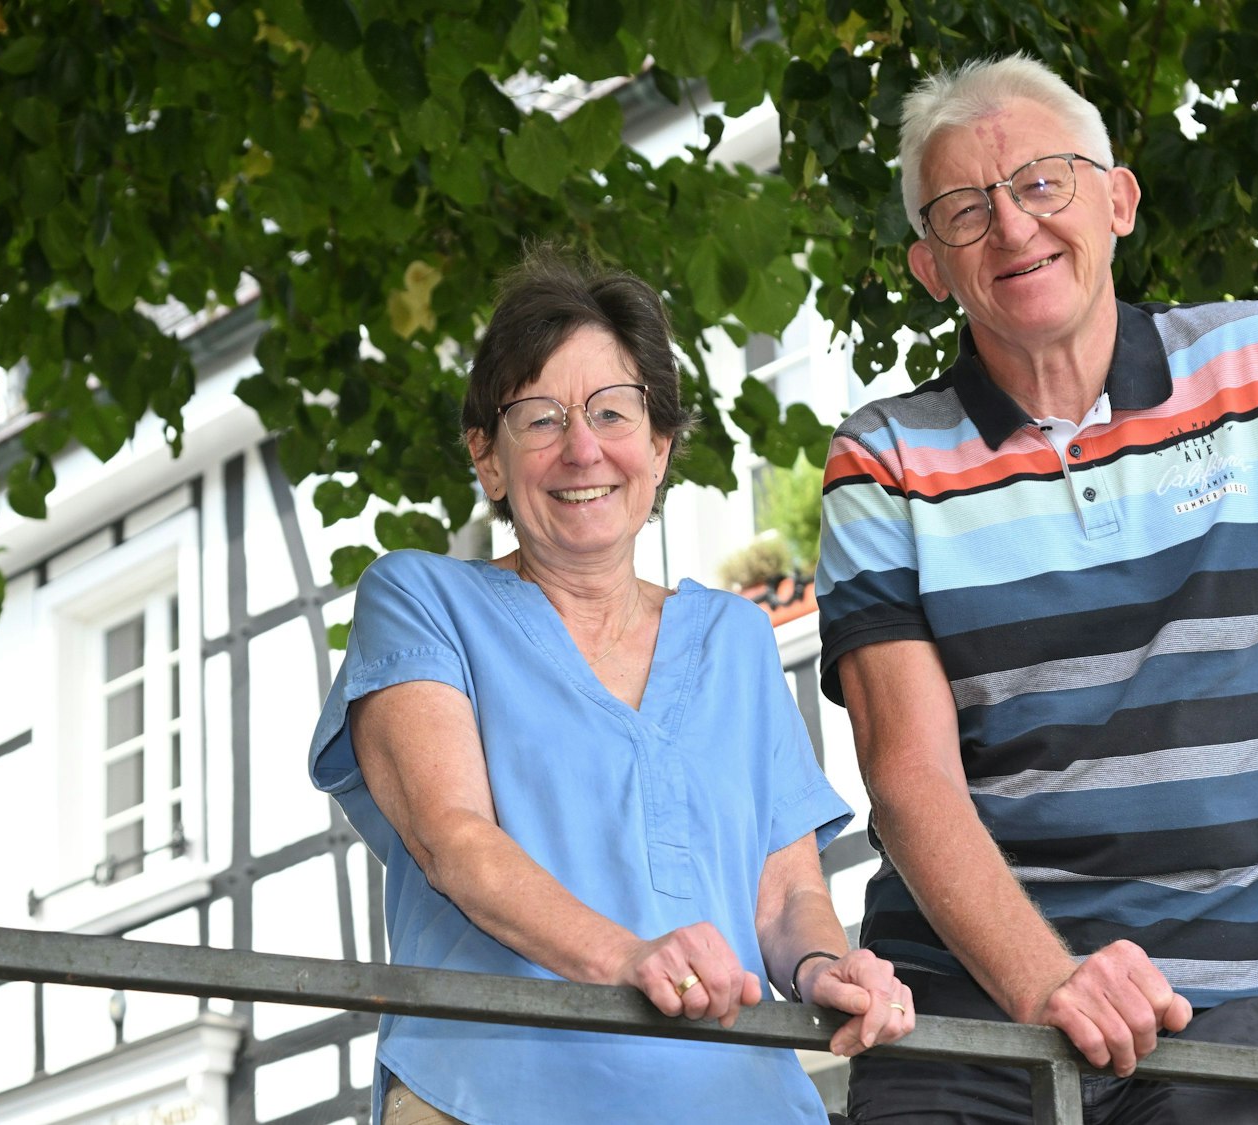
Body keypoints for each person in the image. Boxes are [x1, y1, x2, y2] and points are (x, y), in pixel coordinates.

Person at [815, 55, 1258, 1125]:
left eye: (1042, 182)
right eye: (965, 210)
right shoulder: (883, 458)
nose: (1013, 226)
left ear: (1117, 200)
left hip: (1231, 997)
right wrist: (1048, 985)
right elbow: (907, 775)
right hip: (969, 1005)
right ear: (930, 267)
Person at [308, 250, 914, 1125]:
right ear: (487, 459)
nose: (582, 447)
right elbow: (453, 839)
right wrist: (627, 957)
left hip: (738, 1105)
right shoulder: (419, 600)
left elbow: (784, 894)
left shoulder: (735, 639)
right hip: (491, 1101)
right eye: (540, 418)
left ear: (659, 449)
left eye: (611, 411)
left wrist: (826, 967)